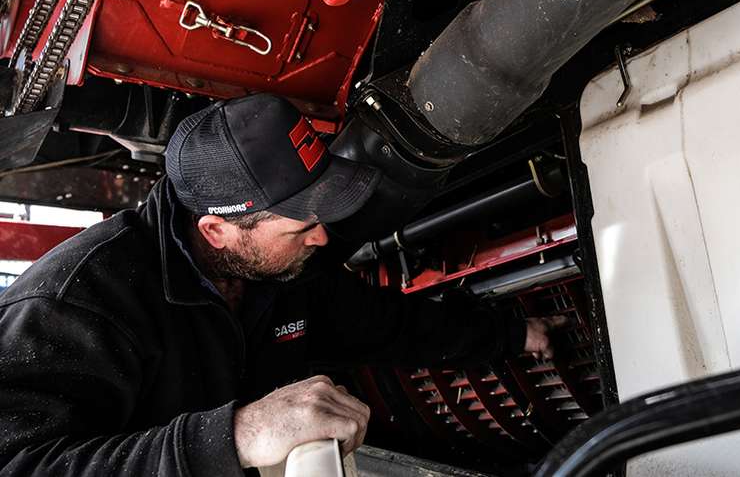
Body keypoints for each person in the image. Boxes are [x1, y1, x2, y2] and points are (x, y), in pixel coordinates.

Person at [0, 93, 564, 475]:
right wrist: (235, 434)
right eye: (303, 225)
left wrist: (515, 332)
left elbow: (387, 324)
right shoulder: (73, 304)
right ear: (217, 231)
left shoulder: (281, 272)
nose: (322, 239)